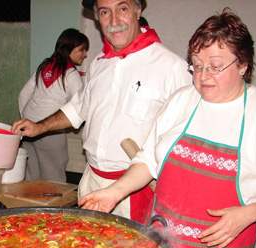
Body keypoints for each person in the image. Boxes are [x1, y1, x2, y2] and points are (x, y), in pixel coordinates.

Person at [79, 8, 256, 248]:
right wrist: (114, 192)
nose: (203, 77)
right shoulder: (181, 101)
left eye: (215, 66)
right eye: (196, 65)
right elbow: (147, 161)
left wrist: (248, 214)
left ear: (243, 64)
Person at [12, 0, 192, 222]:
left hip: (133, 191)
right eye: (105, 12)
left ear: (138, 10)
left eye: (122, 9)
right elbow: (78, 108)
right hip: (91, 181)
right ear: (97, 17)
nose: (114, 21)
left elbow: (188, 137)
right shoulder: (98, 63)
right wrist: (40, 126)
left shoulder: (171, 66)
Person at [18, 28, 89, 182]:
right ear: (69, 49)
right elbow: (81, 107)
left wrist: (27, 118)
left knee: (31, 177)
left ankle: (32, 205)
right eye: (82, 49)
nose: (85, 54)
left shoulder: (44, 67)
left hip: (27, 129)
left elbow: (23, 94)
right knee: (53, 179)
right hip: (49, 132)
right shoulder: (70, 74)